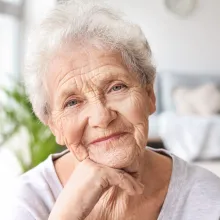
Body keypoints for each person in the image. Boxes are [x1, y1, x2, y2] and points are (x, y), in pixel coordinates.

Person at [7, 0, 220, 219]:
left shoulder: (209, 197)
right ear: (54, 126)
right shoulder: (26, 201)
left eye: (116, 87)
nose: (101, 117)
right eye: (72, 102)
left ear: (149, 95)